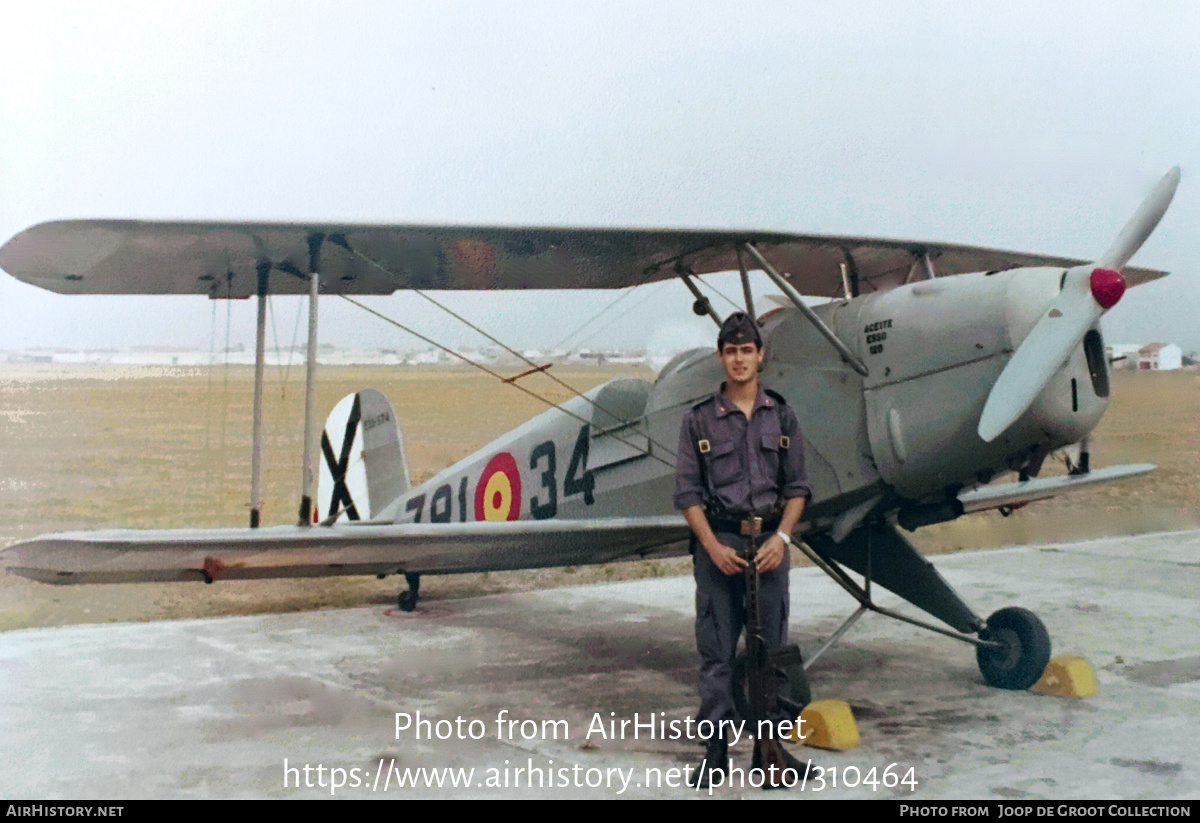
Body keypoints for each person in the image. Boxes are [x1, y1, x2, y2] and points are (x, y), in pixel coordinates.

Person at [673, 311, 813, 790]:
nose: (739, 359)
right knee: (716, 650)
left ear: (760, 355)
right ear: (721, 357)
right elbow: (687, 494)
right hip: (721, 546)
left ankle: (769, 752)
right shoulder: (698, 421)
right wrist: (710, 545)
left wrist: (784, 538)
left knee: (769, 652)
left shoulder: (783, 414)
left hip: (770, 546)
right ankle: (715, 754)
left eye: (746, 350)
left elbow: (797, 488)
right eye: (730, 351)